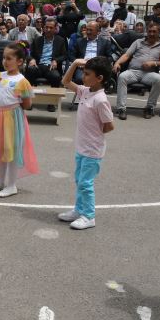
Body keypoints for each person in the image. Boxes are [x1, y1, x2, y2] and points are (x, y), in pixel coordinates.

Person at [0, 44, 39, 198]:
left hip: (12, 118)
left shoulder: (22, 81)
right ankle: (0, 182)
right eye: (4, 58)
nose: (5, 61)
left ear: (19, 61)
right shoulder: (0, 75)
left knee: (11, 151)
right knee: (1, 151)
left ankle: (11, 185)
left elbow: (27, 104)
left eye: (9, 58)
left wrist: (13, 108)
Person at [58, 57, 114, 229]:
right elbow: (65, 81)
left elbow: (109, 125)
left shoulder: (100, 99)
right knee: (79, 180)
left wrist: (94, 136)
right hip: (82, 148)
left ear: (100, 78)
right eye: (84, 72)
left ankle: (89, 216)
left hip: (92, 150)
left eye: (88, 74)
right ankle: (79, 210)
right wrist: (74, 64)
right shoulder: (84, 91)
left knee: (85, 183)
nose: (83, 76)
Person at [112, 23, 160, 119]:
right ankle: (121, 109)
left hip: (149, 73)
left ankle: (149, 107)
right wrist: (117, 63)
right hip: (133, 71)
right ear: (146, 32)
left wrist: (153, 63)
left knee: (159, 79)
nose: (152, 33)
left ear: (159, 32)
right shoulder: (138, 42)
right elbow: (127, 55)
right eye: (150, 31)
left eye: (154, 31)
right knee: (122, 76)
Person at [25, 17, 66, 101]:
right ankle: (29, 99)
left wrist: (56, 61)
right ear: (43, 28)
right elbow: (29, 54)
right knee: (30, 70)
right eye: (46, 27)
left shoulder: (60, 40)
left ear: (55, 29)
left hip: (50, 67)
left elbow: (64, 55)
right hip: (38, 65)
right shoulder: (37, 40)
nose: (48, 29)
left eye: (51, 28)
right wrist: (31, 59)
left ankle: (53, 101)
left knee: (56, 76)